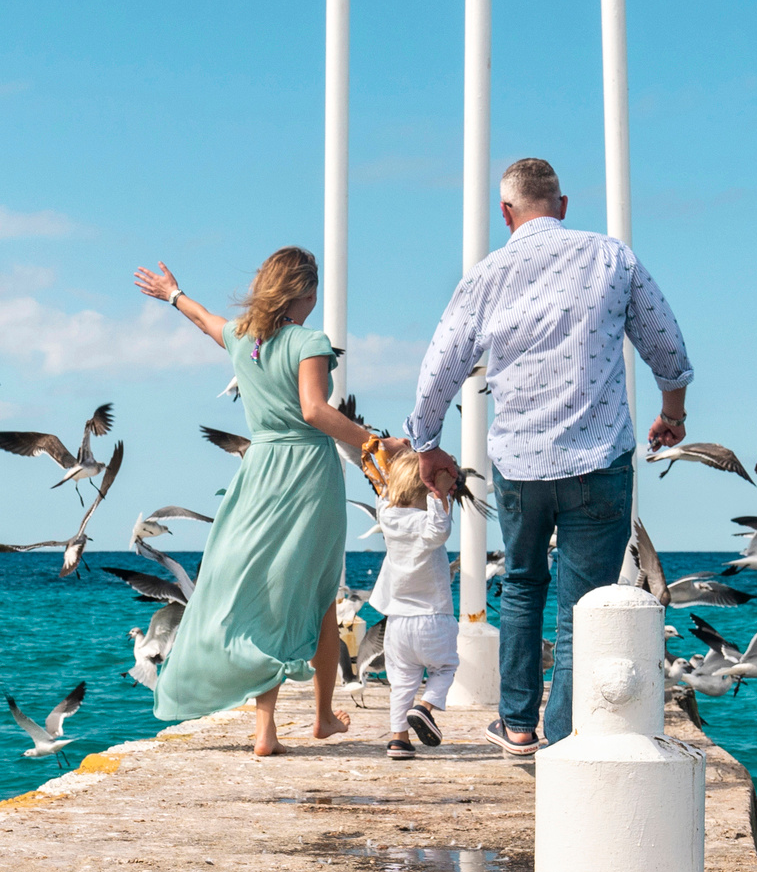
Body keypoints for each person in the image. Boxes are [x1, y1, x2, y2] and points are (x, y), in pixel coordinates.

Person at [392, 157, 692, 755]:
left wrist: (426, 447)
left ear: (506, 212)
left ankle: (517, 725)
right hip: (598, 456)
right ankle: (563, 735)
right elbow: (666, 345)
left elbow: (437, 370)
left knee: (524, 585)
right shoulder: (611, 256)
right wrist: (673, 413)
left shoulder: (485, 276)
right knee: (585, 606)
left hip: (520, 463)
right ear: (561, 203)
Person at [133, 247, 375, 757]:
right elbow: (314, 410)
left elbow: (206, 320)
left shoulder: (244, 338)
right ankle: (324, 717)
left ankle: (265, 729)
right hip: (307, 473)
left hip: (258, 472)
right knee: (318, 594)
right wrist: (373, 442)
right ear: (303, 293)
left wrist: (172, 294)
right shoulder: (310, 341)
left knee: (266, 595)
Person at [368, 451, 459, 761]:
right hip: (433, 619)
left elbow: (383, 497)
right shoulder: (428, 523)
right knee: (445, 668)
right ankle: (426, 707)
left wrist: (387, 472)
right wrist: (440, 493)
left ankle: (398, 740)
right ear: (427, 489)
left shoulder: (389, 519)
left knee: (402, 680)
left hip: (398, 623)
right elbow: (440, 528)